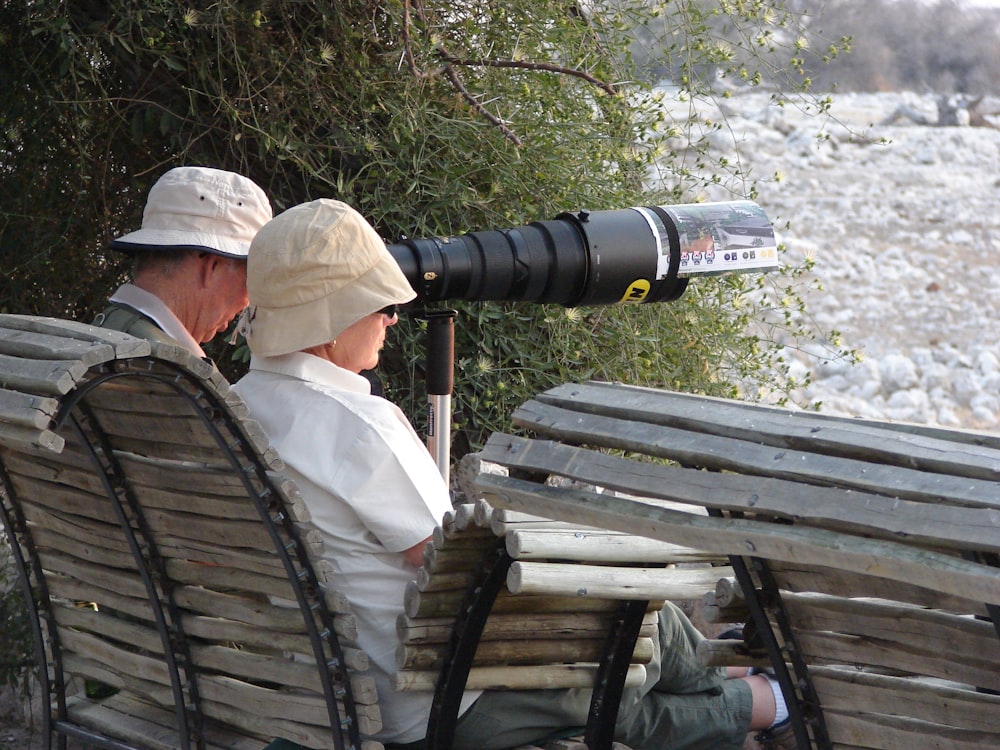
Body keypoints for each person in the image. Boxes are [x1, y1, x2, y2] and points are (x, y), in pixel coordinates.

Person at [233, 199, 793, 750]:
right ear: (330, 324)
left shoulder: (234, 412)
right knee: (641, 622)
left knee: (630, 674)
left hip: (329, 695)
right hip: (434, 703)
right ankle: (771, 693)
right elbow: (460, 568)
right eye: (377, 303)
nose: (392, 316)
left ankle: (758, 695)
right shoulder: (355, 426)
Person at [93, 166, 272, 357]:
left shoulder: (103, 332)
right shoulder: (159, 365)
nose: (247, 301)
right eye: (249, 278)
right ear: (212, 267)